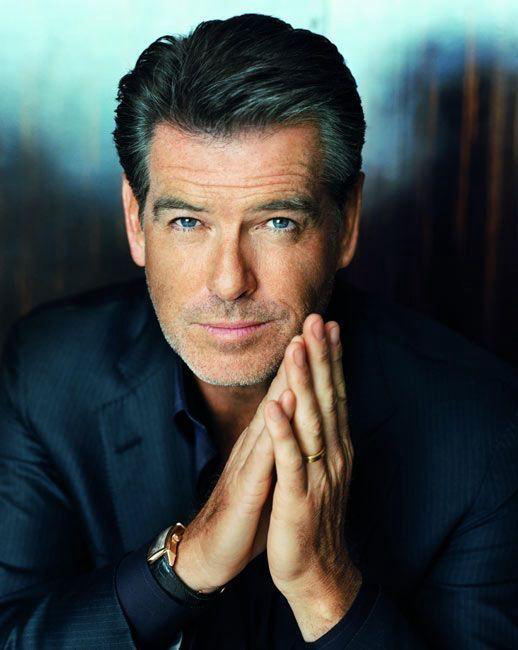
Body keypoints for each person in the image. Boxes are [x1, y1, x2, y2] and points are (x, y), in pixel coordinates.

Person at [0, 13, 517, 650]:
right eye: (188, 222)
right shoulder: (47, 373)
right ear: (136, 221)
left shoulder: (485, 433)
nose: (229, 281)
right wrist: (183, 570)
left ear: (346, 222)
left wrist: (324, 586)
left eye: (277, 223)